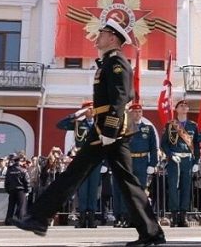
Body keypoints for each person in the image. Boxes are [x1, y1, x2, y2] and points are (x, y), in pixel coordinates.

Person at [13, 18, 164, 247]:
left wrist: (110, 129)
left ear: (113, 38)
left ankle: (38, 218)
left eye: (102, 33)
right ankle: (151, 233)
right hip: (103, 128)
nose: (97, 37)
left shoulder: (117, 62)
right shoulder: (107, 62)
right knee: (116, 180)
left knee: (84, 175)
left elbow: (122, 96)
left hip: (110, 130)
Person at [56, 100, 102, 228]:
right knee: (82, 189)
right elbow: (60, 125)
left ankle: (91, 218)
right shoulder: (77, 124)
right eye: (88, 108)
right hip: (81, 159)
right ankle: (82, 218)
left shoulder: (100, 124)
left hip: (95, 159)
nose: (91, 111)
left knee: (93, 189)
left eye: (93, 108)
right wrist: (77, 114)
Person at [160, 99, 200, 227]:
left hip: (187, 160)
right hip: (174, 160)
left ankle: (183, 216)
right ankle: (174, 215)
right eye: (181, 106)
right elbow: (164, 143)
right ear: (176, 109)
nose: (183, 108)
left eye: (185, 106)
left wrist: (196, 161)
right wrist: (170, 155)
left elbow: (197, 144)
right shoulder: (170, 125)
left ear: (188, 110)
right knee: (173, 187)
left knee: (186, 188)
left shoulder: (193, 126)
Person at [4, 153, 30, 225]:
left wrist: (8, 190)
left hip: (12, 191)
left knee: (11, 207)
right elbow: (27, 181)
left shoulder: (9, 170)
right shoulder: (23, 170)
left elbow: (6, 182)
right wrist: (27, 191)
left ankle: (8, 221)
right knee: (21, 206)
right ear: (19, 161)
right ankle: (20, 221)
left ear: (14, 161)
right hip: (21, 191)